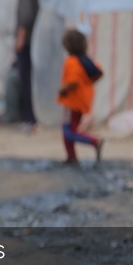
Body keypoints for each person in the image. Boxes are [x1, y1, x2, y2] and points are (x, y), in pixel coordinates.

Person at [57, 29, 104, 164]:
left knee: (68, 131)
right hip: (81, 101)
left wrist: (62, 89)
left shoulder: (71, 61)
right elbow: (99, 72)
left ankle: (95, 141)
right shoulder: (85, 60)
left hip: (72, 101)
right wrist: (88, 84)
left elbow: (73, 81)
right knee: (69, 129)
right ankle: (71, 157)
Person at [12, 0, 39, 131]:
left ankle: (29, 117)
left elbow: (25, 13)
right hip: (36, 40)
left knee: (26, 78)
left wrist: (20, 38)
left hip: (28, 40)